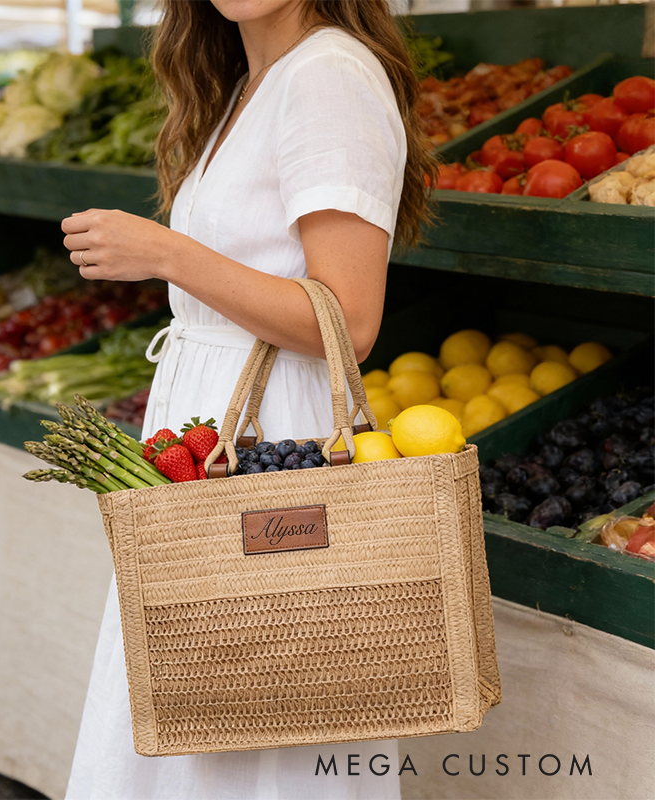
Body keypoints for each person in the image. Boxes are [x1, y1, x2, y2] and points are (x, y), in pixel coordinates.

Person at [62, 1, 435, 797]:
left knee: (266, 698)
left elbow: (349, 320)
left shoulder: (329, 76)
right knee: (199, 696)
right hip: (221, 423)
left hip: (273, 439)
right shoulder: (245, 81)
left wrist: (167, 253)